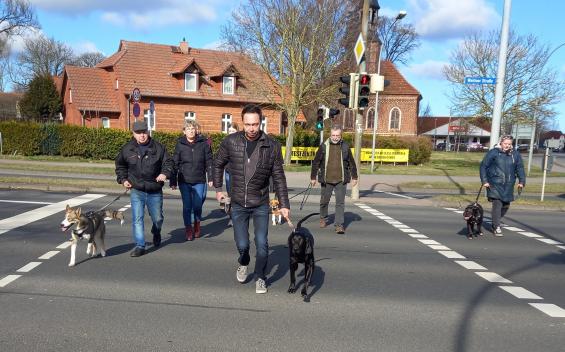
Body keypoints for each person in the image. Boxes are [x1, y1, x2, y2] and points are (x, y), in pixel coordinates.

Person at [213, 104, 290, 294]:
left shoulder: (272, 146)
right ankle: (244, 262)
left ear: (260, 122)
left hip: (260, 203)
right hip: (238, 203)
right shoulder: (231, 141)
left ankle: (261, 277)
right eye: (248, 124)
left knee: (262, 245)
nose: (252, 129)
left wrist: (284, 204)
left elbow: (279, 176)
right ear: (242, 123)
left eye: (255, 124)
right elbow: (218, 164)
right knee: (243, 245)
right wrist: (218, 188)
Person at [115, 120, 173, 257]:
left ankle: (156, 231)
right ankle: (140, 245)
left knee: (158, 219)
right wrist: (123, 180)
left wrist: (164, 173)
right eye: (138, 133)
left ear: (148, 132)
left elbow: (169, 163)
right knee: (137, 219)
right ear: (133, 134)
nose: (142, 135)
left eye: (144, 132)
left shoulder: (159, 148)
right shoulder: (127, 149)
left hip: (154, 190)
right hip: (137, 190)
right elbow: (120, 166)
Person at [310, 125, 358, 234]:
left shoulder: (345, 146)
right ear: (330, 135)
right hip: (326, 180)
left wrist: (355, 177)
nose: (335, 137)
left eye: (337, 135)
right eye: (333, 135)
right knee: (324, 201)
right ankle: (323, 217)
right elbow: (316, 162)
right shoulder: (324, 146)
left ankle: (339, 225)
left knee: (340, 203)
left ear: (341, 135)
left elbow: (351, 162)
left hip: (341, 180)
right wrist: (313, 177)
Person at [170, 120, 213, 241]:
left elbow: (209, 161)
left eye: (193, 128)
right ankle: (188, 228)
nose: (191, 131)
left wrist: (211, 177)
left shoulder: (203, 143)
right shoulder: (180, 144)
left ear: (196, 130)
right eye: (188, 129)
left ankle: (197, 224)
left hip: (199, 179)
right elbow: (175, 163)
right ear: (184, 131)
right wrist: (173, 181)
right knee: (187, 206)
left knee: (198, 205)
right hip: (184, 180)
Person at [480, 134, 525, 237]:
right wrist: (484, 181)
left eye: (509, 144)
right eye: (505, 143)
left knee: (506, 205)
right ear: (501, 143)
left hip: (509, 184)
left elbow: (520, 168)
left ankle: (495, 222)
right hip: (495, 183)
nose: (507, 146)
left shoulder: (515, 154)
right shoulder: (494, 153)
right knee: (497, 204)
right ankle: (496, 226)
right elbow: (483, 166)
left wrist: (521, 181)